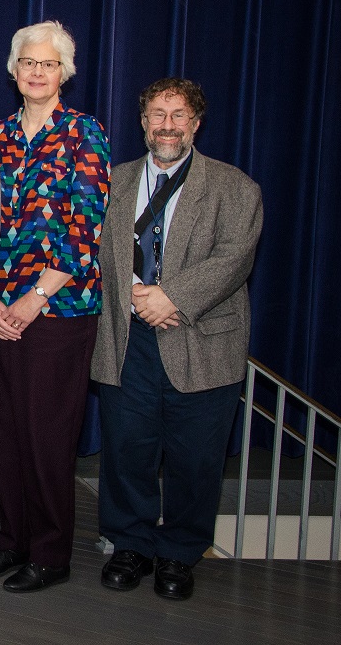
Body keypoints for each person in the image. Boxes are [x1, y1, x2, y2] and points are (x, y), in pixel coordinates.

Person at [93, 77, 262, 601]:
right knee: (127, 450)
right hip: (126, 340)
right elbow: (93, 254)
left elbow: (234, 258)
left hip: (202, 340)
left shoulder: (235, 187)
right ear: (143, 124)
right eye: (157, 115)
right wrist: (135, 299)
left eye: (178, 115)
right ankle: (130, 544)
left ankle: (179, 553)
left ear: (195, 123)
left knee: (196, 457)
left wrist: (173, 297)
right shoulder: (112, 182)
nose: (167, 125)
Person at [0, 21, 110, 592]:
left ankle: (50, 552)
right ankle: (13, 540)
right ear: (13, 69)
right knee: (1, 431)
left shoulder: (85, 133)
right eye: (28, 62)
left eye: (48, 64)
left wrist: (31, 299)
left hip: (58, 311)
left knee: (47, 434)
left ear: (64, 73)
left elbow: (85, 230)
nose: (36, 72)